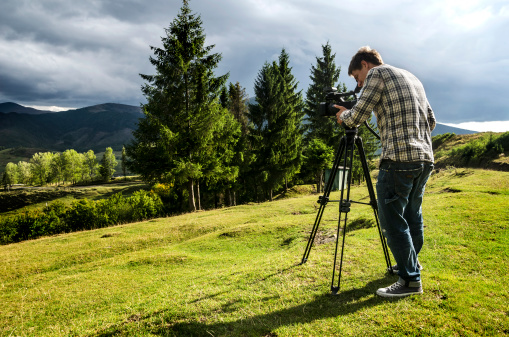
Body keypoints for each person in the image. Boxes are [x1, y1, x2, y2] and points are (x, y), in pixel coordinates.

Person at [335, 46, 436, 298]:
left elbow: (358, 115)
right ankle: (411, 266)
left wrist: (342, 116)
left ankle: (410, 281)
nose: (359, 85)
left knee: (393, 222)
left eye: (358, 78)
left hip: (398, 160)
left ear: (366, 64)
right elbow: (431, 120)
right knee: (413, 215)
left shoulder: (377, 74)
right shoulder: (412, 78)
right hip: (424, 158)